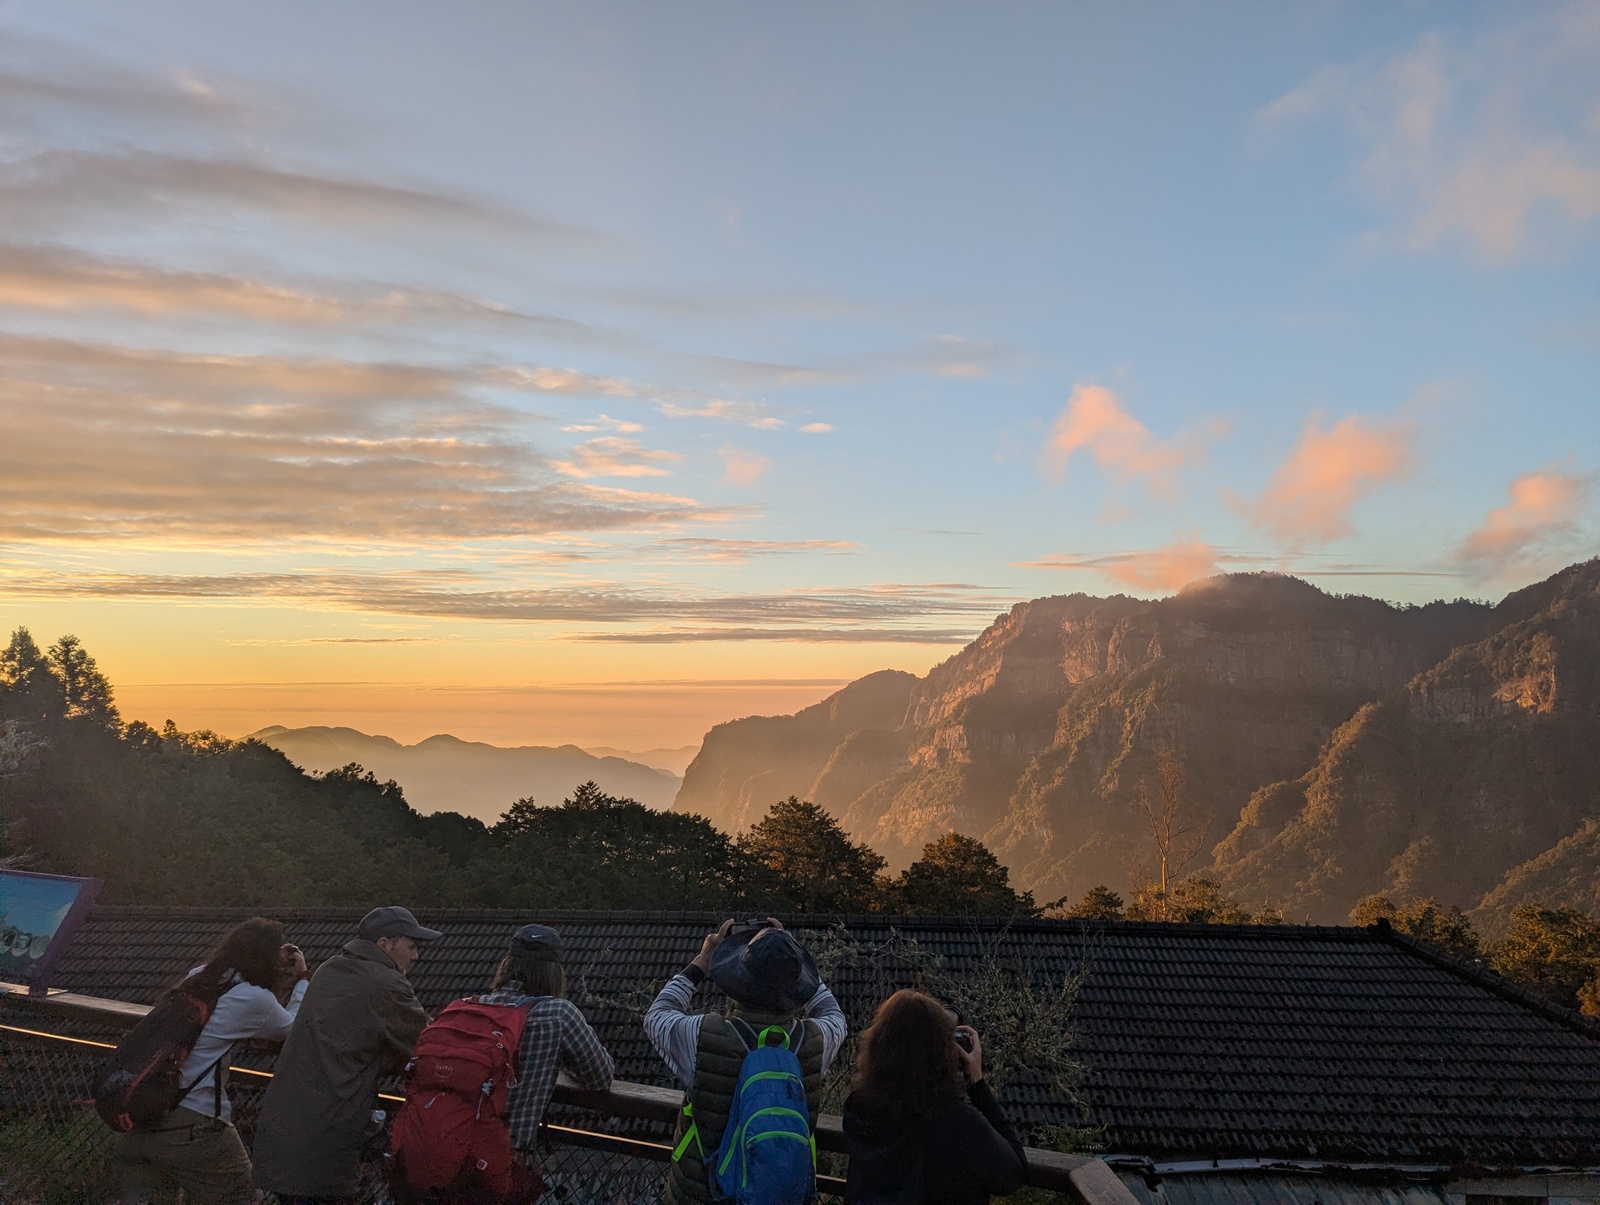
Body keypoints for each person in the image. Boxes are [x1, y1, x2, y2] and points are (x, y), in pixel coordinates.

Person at [392, 924, 616, 1203]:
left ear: (506, 965)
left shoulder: (468, 1006)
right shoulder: (557, 1013)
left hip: (436, 1145)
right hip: (500, 1158)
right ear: (554, 972)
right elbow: (600, 1077)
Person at [644, 917, 847, 1205]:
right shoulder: (814, 1042)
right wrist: (791, 960)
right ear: (796, 984)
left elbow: (658, 1014)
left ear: (737, 980)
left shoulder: (705, 1036)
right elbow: (834, 1014)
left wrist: (702, 960)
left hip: (704, 1195)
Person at [252, 905, 440, 1204]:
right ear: (384, 945)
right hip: (328, 1139)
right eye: (411, 946)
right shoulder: (387, 983)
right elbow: (429, 1044)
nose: (416, 956)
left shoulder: (330, 968)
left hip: (285, 1128)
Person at [115, 916, 309, 1205]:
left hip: (139, 1111)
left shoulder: (199, 975)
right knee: (241, 1198)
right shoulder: (254, 999)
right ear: (268, 957)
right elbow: (293, 1027)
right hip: (193, 1123)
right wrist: (301, 978)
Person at [841, 990, 1027, 1204]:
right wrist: (977, 1082)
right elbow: (1013, 1174)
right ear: (943, 1054)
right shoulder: (955, 1120)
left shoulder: (859, 1108)